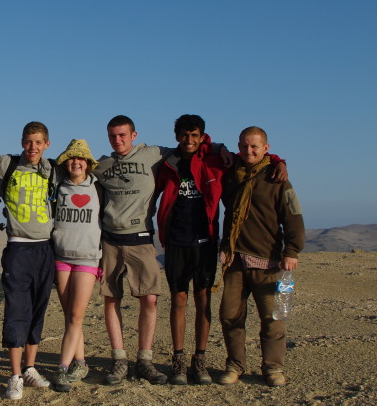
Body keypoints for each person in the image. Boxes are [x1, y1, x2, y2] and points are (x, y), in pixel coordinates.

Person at [156, 115, 287, 385]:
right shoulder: (167, 161)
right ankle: (179, 360)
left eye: (194, 135)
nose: (189, 140)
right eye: (184, 135)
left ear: (202, 136)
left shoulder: (216, 159)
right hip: (177, 241)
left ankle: (200, 359)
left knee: (203, 299)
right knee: (178, 300)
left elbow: (251, 161)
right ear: (176, 136)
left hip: (206, 241)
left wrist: (277, 160)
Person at [0, 121, 58, 400]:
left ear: (46, 144)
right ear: (22, 142)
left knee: (37, 310)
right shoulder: (7, 164)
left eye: (38, 142)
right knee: (17, 311)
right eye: (28, 141)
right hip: (19, 248)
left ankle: (30, 368)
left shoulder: (52, 169)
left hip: (46, 249)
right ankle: (15, 375)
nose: (32, 147)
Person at [217, 127, 304, 387]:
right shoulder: (231, 174)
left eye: (255, 146)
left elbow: (293, 217)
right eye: (244, 146)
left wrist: (292, 250)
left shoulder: (277, 178)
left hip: (269, 262)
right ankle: (235, 365)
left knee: (274, 318)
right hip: (235, 260)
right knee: (230, 316)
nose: (249, 151)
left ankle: (273, 368)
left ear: (266, 148)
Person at [92, 116, 172, 386]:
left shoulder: (153, 154)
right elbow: (71, 167)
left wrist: (218, 148)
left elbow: (192, 148)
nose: (118, 140)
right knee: (111, 299)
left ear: (134, 135)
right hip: (110, 241)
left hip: (141, 239)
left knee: (149, 300)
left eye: (123, 135)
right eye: (113, 136)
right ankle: (119, 360)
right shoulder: (101, 165)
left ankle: (145, 360)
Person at [49, 139, 102, 393]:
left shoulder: (98, 188)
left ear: (88, 163)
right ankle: (80, 362)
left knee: (76, 315)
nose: (76, 162)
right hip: (61, 256)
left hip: (87, 258)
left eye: (81, 158)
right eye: (71, 158)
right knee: (70, 315)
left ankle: (62, 367)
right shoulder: (58, 186)